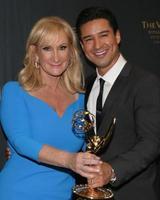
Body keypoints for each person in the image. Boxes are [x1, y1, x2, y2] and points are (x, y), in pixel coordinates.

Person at [0, 16, 102, 200]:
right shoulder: (14, 91)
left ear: (71, 52)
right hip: (16, 192)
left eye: (62, 48)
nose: (56, 57)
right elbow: (20, 140)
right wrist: (69, 160)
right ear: (34, 52)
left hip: (63, 195)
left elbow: (91, 144)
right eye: (47, 48)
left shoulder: (81, 98)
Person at [75, 6, 160, 200]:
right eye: (89, 39)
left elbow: (152, 142)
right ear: (82, 45)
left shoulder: (145, 83)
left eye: (103, 35)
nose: (97, 45)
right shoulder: (83, 87)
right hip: (88, 193)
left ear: (118, 36)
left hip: (132, 194)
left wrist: (112, 170)